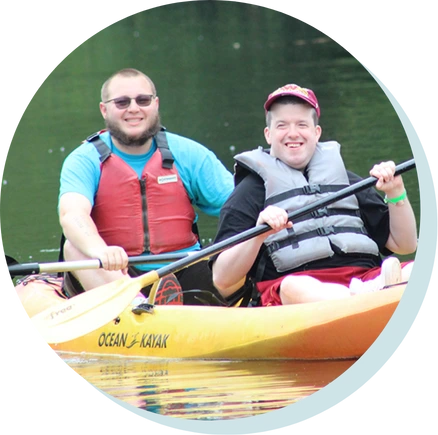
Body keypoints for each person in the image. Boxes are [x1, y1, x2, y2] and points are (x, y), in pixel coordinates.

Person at [210, 83, 418, 306]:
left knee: (419, 267)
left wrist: (396, 192)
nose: (293, 133)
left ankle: (369, 295)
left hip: (364, 280)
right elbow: (222, 280)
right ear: (268, 135)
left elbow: (405, 245)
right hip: (298, 292)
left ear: (316, 132)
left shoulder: (346, 181)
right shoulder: (250, 192)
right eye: (282, 125)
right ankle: (369, 299)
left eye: (302, 124)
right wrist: (258, 234)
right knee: (295, 287)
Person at [58, 68, 234, 305]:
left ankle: (170, 305)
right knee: (74, 247)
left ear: (156, 104)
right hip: (116, 273)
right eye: (121, 102)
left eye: (143, 100)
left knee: (243, 235)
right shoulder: (84, 160)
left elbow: (238, 205)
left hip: (184, 269)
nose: (133, 108)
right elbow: (72, 215)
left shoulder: (189, 154)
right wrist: (101, 251)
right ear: (104, 109)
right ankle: (138, 307)